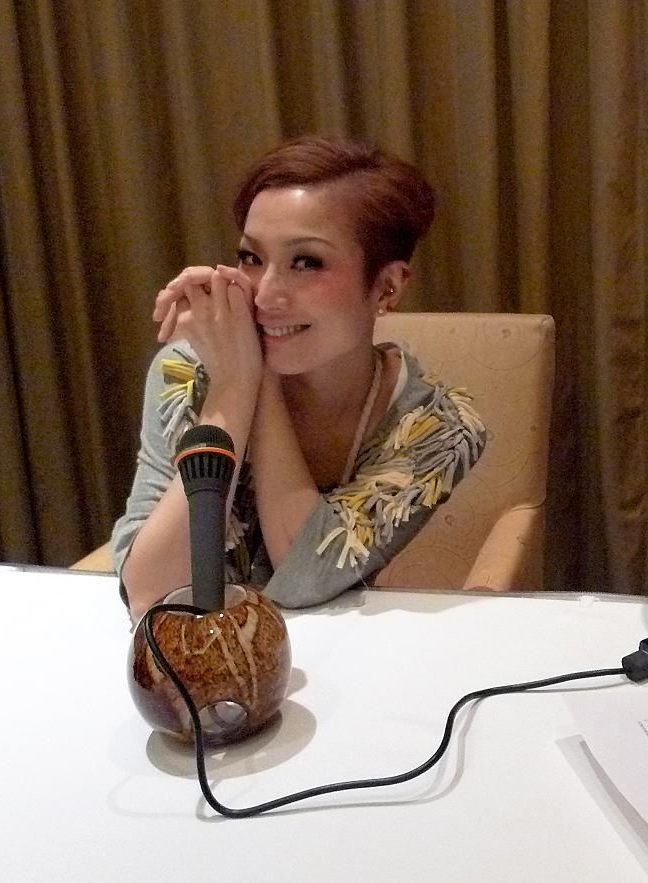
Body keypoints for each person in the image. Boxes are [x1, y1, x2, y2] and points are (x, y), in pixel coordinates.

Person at [113, 136, 485, 620]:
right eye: (251, 258)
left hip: (342, 652)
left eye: (306, 262)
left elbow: (305, 575)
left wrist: (257, 378)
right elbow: (152, 591)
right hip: (197, 654)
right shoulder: (187, 374)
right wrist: (233, 387)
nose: (265, 295)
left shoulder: (439, 428)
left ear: (387, 286)